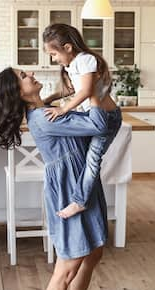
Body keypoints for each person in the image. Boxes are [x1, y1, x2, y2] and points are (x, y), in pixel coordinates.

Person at [0, 67, 122, 290]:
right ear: (17, 92)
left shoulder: (46, 111)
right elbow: (98, 125)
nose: (30, 73)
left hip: (83, 182)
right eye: (23, 76)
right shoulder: (44, 118)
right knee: (67, 268)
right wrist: (91, 92)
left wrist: (61, 97)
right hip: (70, 189)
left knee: (93, 254)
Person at [42, 23, 121, 219]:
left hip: (107, 118)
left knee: (93, 159)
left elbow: (86, 92)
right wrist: (50, 99)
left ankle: (80, 201)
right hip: (93, 117)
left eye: (54, 54)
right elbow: (72, 90)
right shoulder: (73, 64)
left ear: (68, 48)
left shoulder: (86, 60)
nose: (54, 59)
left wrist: (63, 109)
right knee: (85, 159)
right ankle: (84, 197)